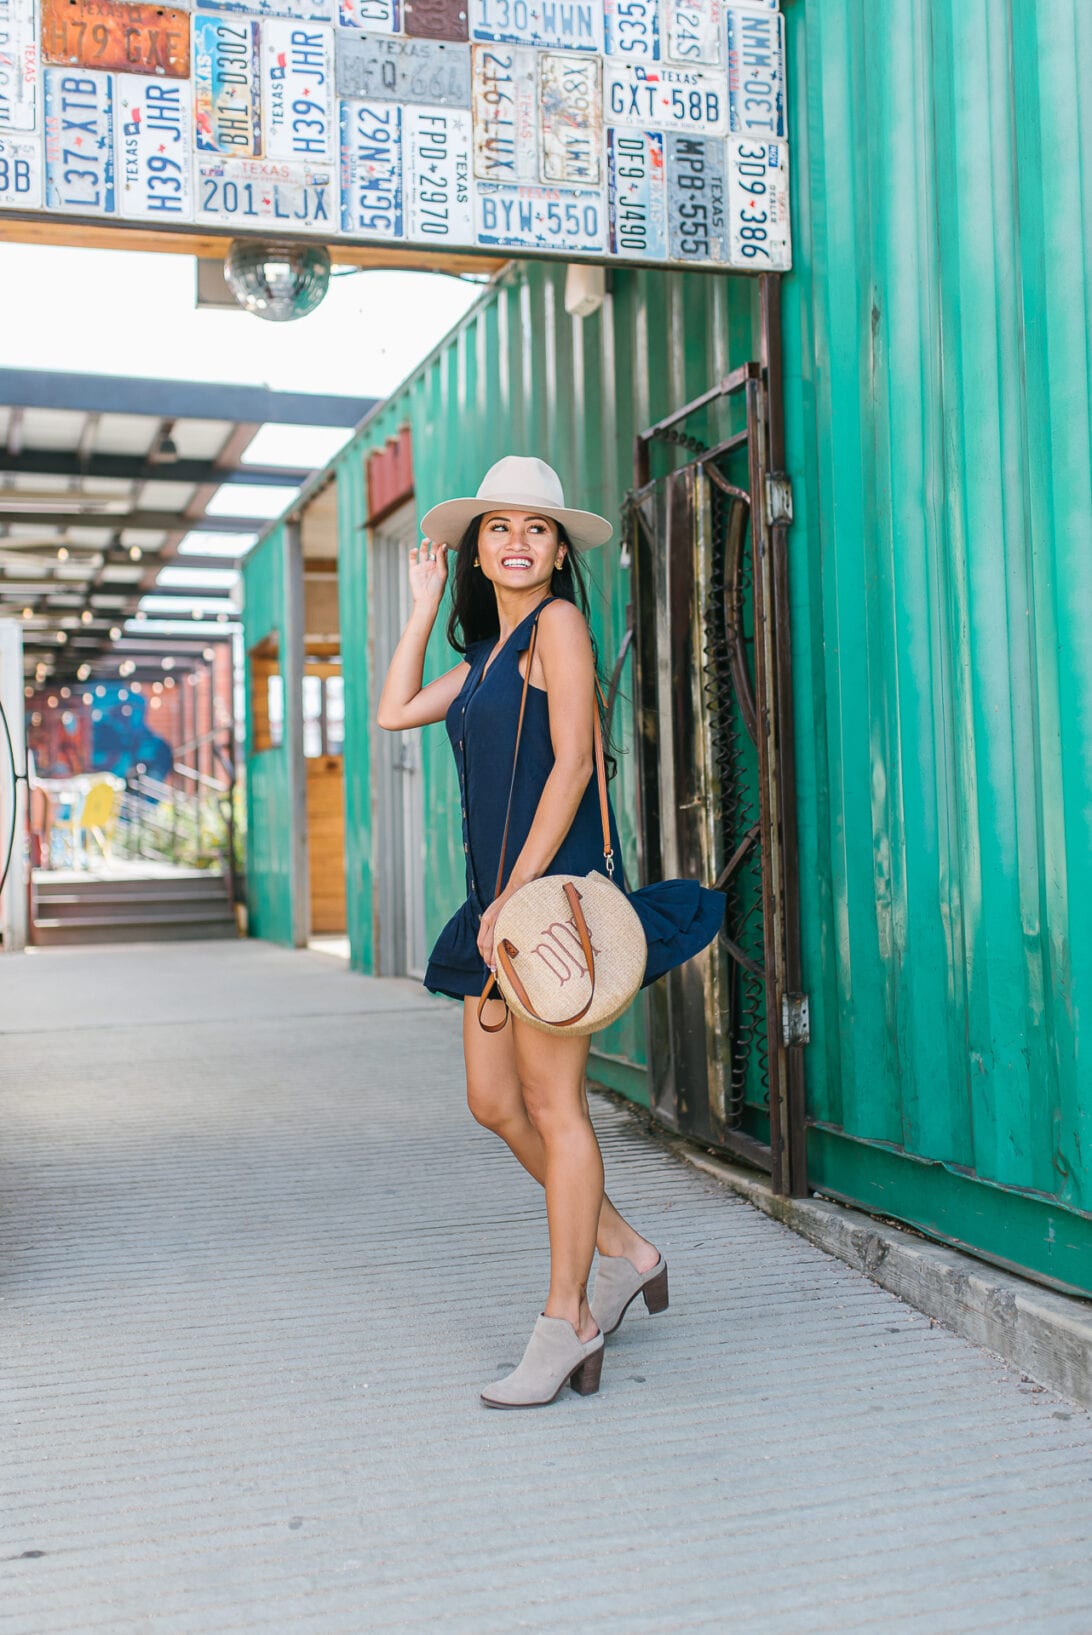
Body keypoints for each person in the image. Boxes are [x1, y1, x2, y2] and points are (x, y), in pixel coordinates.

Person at [377, 457, 724, 1408]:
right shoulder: (489, 656)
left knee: (556, 1106)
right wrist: (423, 604)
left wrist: (515, 894)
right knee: (495, 1102)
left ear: (561, 551)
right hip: (499, 911)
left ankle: (567, 1319)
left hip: (548, 910)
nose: (518, 541)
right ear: (477, 551)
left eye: (538, 528)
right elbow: (393, 710)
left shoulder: (558, 627)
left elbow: (574, 765)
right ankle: (628, 1249)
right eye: (499, 527)